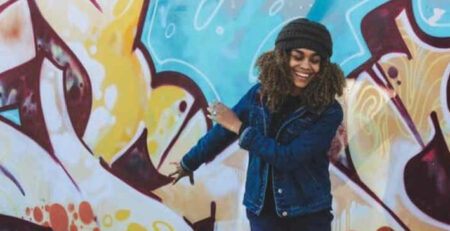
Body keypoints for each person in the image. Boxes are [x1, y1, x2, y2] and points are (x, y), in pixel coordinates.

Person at [169, 18, 346, 231]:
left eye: (315, 60)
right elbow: (222, 131)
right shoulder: (259, 96)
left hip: (308, 213)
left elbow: (289, 157)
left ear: (324, 65)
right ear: (282, 56)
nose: (306, 66)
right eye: (298, 56)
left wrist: (241, 129)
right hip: (263, 211)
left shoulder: (328, 110)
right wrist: (189, 162)